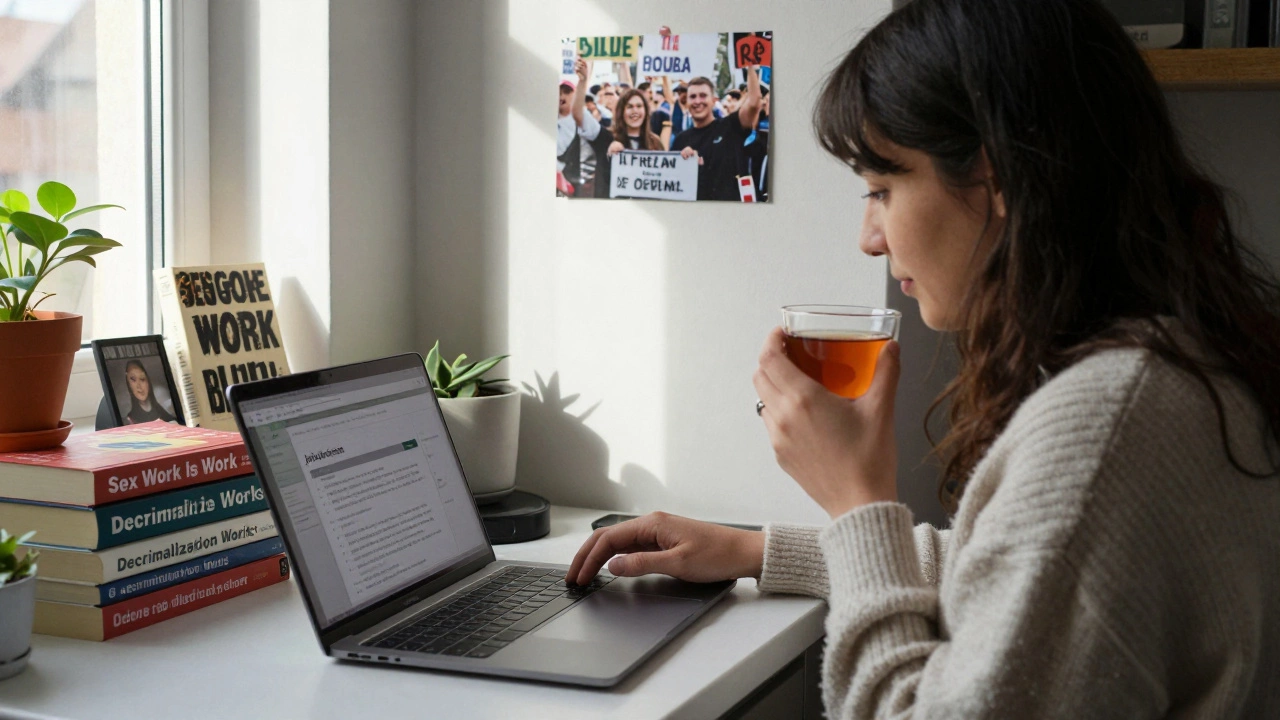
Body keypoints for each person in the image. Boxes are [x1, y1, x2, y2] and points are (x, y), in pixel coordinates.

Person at [567, 0, 1280, 716]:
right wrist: (753, 550)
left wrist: (857, 499)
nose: (868, 239)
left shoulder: (1104, 430)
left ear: (995, 177)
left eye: (882, 188)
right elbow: (1014, 578)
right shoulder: (1169, 371)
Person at [670, 68, 761, 201]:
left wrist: (750, 65)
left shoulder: (730, 126)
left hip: (733, 214)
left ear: (714, 100)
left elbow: (754, 102)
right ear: (687, 102)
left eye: (703, 95)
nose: (697, 101)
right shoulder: (680, 140)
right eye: (692, 97)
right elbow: (672, 182)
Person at [556, 59, 603, 197]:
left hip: (577, 185)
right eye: (559, 91)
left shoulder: (582, 120)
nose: (561, 95)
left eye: (567, 91)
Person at [122, 359, 176, 424]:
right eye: (133, 380)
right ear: (129, 385)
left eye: (142, 379)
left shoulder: (162, 412)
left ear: (148, 382)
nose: (139, 386)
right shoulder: (129, 420)